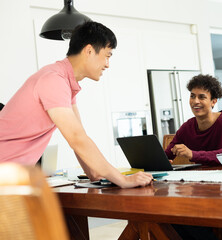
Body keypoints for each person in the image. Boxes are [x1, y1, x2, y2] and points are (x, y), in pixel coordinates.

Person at [0, 21, 152, 188]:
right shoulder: (53, 80)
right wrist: (122, 180)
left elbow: (79, 135)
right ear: (89, 51)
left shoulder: (65, 83)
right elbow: (76, 139)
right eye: (107, 56)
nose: (107, 64)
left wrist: (94, 175)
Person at [165, 74, 222, 166]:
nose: (195, 101)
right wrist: (162, 162)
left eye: (202, 97)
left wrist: (193, 154)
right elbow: (166, 156)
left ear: (213, 101)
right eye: (192, 96)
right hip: (199, 176)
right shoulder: (187, 127)